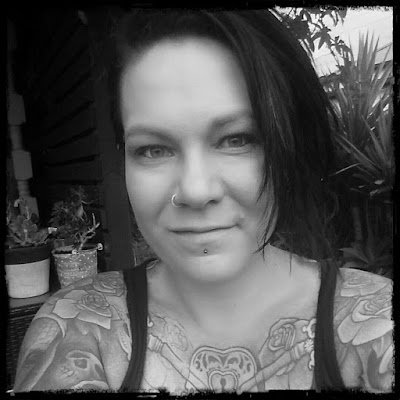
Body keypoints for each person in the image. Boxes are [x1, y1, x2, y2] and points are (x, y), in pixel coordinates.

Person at [13, 9, 393, 394]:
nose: (195, 191)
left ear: (292, 146)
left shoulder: (377, 323)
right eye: (153, 149)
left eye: (236, 139)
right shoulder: (78, 329)